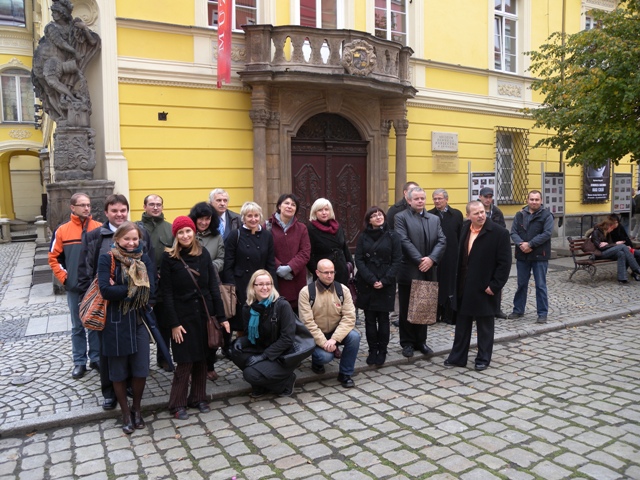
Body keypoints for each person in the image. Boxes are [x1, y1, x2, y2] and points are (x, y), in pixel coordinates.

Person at [78, 194, 156, 411]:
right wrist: (92, 299)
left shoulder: (140, 235)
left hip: (135, 309)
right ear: (106, 213)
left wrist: (149, 299)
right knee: (107, 353)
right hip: (106, 307)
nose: (119, 214)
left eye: (123, 210)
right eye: (115, 211)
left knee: (133, 352)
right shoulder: (96, 236)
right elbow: (86, 271)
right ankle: (109, 392)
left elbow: (150, 273)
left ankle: (130, 387)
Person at [160, 216, 229, 420]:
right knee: (184, 361)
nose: (185, 235)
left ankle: (198, 398)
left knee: (202, 358)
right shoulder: (169, 258)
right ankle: (177, 403)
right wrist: (173, 324)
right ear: (176, 235)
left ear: (193, 232)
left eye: (188, 231)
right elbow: (167, 294)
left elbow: (213, 288)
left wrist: (221, 316)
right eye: (180, 232)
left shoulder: (203, 253)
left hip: (204, 315)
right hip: (182, 317)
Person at [97, 222, 155, 434]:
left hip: (138, 321)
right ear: (117, 239)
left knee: (141, 369)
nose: (131, 243)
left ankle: (137, 409)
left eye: (135, 239)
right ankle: (124, 413)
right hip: (115, 323)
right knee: (119, 372)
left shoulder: (144, 258)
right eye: (127, 239)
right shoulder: (107, 258)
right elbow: (105, 291)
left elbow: (150, 292)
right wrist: (134, 288)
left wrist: (121, 289)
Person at [444, 201, 512, 372]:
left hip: (485, 287)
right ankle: (458, 357)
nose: (481, 215)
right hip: (464, 286)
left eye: (482, 212)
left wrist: (495, 286)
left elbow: (504, 264)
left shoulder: (499, 233)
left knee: (485, 326)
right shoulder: (465, 228)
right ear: (468, 216)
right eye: (476, 213)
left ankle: (483, 358)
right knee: (462, 324)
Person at [48, 193, 102, 379]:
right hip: (74, 287)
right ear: (73, 207)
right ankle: (79, 362)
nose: (87, 208)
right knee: (77, 326)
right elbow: (53, 258)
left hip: (94, 287)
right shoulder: (62, 230)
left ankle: (96, 358)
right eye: (82, 205)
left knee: (95, 323)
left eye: (88, 205)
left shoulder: (99, 228)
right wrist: (65, 278)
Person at [394, 187, 446, 358]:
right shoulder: (401, 217)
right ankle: (407, 342)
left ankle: (421, 341)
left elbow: (441, 240)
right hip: (409, 270)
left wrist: (431, 259)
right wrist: (420, 260)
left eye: (422, 198)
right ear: (409, 200)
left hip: (428, 270)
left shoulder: (434, 219)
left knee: (424, 305)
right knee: (407, 307)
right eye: (416, 198)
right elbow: (403, 240)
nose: (420, 201)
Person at [231, 270, 298, 397]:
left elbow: (287, 339)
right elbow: (251, 336)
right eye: (260, 284)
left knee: (250, 374)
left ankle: (285, 381)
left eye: (268, 284)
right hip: (261, 348)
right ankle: (261, 384)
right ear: (253, 287)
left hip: (281, 355)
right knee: (235, 351)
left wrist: (264, 356)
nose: (265, 287)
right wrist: (241, 341)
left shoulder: (282, 305)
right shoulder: (248, 308)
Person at [298, 259, 359, 388]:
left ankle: (345, 374)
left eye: (332, 272)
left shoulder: (343, 290)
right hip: (316, 335)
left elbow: (349, 318)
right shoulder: (306, 292)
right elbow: (307, 322)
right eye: (326, 272)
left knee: (354, 337)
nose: (330, 275)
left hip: (335, 332)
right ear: (317, 273)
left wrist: (335, 339)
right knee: (325, 357)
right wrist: (323, 342)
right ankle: (317, 361)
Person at [354, 207, 401, 366]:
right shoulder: (363, 237)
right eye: (374, 216)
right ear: (369, 220)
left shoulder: (393, 236)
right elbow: (359, 260)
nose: (378, 217)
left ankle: (383, 351)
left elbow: (397, 260)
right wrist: (371, 279)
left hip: (385, 283)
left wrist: (385, 280)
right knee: (369, 320)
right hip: (367, 283)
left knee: (383, 319)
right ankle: (372, 350)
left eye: (380, 214)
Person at [223, 201, 277, 336]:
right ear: (243, 218)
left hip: (262, 284)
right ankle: (242, 346)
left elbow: (270, 263)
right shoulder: (235, 235)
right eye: (249, 216)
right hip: (241, 284)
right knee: (242, 319)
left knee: (261, 315)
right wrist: (231, 286)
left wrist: (273, 286)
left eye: (256, 215)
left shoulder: (267, 236)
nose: (253, 219)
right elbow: (228, 264)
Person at [189, 202, 225, 381]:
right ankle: (193, 366)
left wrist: (208, 267)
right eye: (200, 219)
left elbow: (221, 259)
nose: (203, 222)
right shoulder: (187, 233)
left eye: (207, 218)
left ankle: (209, 365)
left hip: (209, 287)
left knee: (211, 326)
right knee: (192, 330)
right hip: (189, 286)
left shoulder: (217, 237)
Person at [138, 194, 173, 372]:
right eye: (151, 204)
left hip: (164, 283)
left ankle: (163, 357)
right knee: (141, 324)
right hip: (141, 284)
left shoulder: (170, 228)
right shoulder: (136, 228)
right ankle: (141, 362)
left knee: (164, 323)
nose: (155, 207)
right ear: (144, 206)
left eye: (159, 204)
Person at [510, 190, 553, 324]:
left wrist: (531, 244)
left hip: (540, 255)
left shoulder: (547, 215)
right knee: (521, 284)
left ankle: (542, 313)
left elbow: (547, 233)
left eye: (536, 199)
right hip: (522, 255)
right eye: (532, 199)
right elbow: (513, 232)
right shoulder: (520, 215)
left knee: (540, 285)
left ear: (541, 201)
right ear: (527, 200)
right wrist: (521, 244)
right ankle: (518, 310)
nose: (534, 202)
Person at [266, 193, 311, 313]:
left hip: (295, 279)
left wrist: (290, 267)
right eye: (286, 203)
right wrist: (279, 267)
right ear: (279, 206)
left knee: (296, 316)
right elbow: (265, 251)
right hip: (275, 279)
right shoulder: (267, 227)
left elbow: (305, 252)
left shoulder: (302, 228)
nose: (289, 206)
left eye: (293, 205)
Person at [428, 189, 463, 324]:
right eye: (435, 199)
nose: (437, 201)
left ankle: (449, 314)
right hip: (435, 256)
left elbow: (460, 235)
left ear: (446, 199)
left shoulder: (456, 215)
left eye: (440, 198)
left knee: (450, 285)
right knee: (436, 284)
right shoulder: (429, 215)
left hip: (451, 255)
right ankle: (435, 314)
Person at [307, 198, 354, 286]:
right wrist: (317, 272)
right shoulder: (311, 229)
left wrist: (350, 264)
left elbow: (344, 247)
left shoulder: (337, 226)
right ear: (314, 212)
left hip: (341, 271)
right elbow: (309, 254)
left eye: (326, 209)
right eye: (320, 210)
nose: (324, 212)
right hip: (324, 274)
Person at [589, 218, 640, 284]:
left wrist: (611, 244)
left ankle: (622, 278)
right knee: (622, 246)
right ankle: (636, 268)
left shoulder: (607, 233)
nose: (612, 230)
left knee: (621, 253)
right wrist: (615, 244)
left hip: (607, 251)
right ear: (608, 226)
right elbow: (600, 247)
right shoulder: (596, 232)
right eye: (612, 228)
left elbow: (610, 244)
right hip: (599, 254)